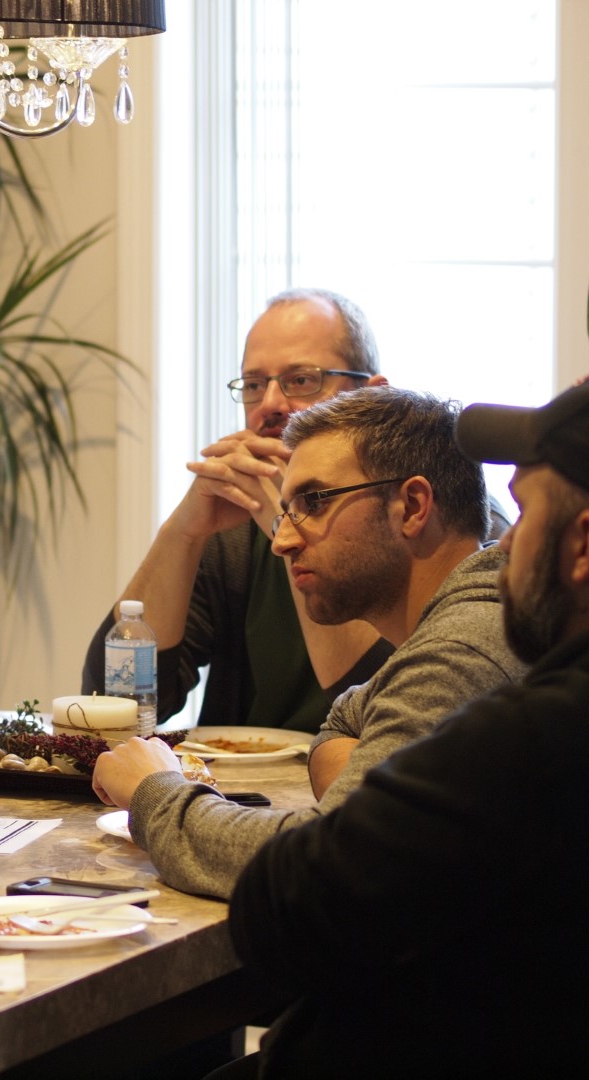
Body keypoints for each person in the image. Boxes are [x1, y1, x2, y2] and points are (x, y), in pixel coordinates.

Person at [223, 380, 589, 1077]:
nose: (503, 546)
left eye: (524, 515)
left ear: (582, 546)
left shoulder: (539, 730)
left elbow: (287, 905)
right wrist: (367, 773)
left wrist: (159, 797)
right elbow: (350, 726)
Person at [90, 387, 526, 900]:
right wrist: (360, 796)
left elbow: (320, 868)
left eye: (314, 502)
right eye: (286, 510)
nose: (282, 541)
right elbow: (342, 723)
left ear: (412, 506)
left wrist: (155, 793)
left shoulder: (461, 649)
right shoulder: (456, 625)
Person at [82, 288, 394, 732]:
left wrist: (288, 521)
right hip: (238, 795)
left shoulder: (423, 517)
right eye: (253, 385)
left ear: (373, 398)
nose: (269, 404)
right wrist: (184, 533)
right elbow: (113, 703)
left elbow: (392, 712)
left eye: (301, 380)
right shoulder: (234, 532)